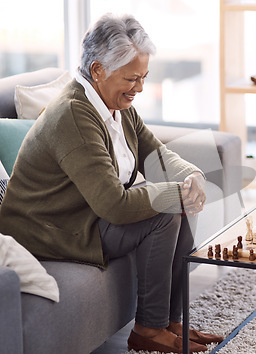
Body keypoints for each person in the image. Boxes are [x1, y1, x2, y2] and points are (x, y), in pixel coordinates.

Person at [0, 14, 223, 353]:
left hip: (85, 212)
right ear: (98, 70)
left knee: (179, 200)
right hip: (53, 228)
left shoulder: (114, 103)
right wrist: (174, 194)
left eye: (144, 77)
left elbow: (155, 151)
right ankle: (148, 330)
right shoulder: (74, 115)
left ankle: (173, 322)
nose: (141, 88)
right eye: (132, 78)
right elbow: (113, 205)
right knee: (166, 211)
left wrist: (191, 176)